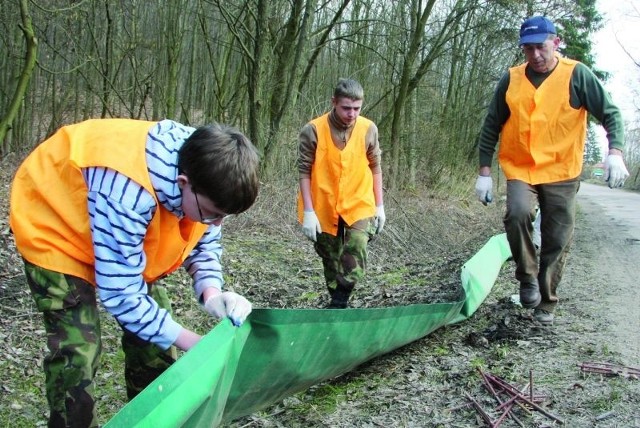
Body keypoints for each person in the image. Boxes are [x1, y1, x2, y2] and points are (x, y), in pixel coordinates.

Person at [9, 118, 260, 427]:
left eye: (224, 216)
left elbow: (203, 238)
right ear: (183, 183)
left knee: (157, 339)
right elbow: (123, 295)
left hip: (115, 225)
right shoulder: (128, 192)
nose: (217, 224)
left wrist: (213, 294)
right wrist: (197, 345)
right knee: (78, 352)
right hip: (55, 223)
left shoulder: (208, 171)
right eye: (214, 215)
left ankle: (156, 419)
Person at [474, 16, 630, 326]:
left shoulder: (577, 75)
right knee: (516, 214)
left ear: (555, 42)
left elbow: (610, 112)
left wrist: (615, 151)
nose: (535, 56)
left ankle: (546, 302)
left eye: (541, 47)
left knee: (557, 237)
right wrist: (484, 171)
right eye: (528, 49)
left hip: (561, 171)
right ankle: (527, 277)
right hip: (521, 168)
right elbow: (492, 124)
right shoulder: (512, 79)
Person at [297, 78, 385, 309]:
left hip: (359, 200)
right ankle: (338, 306)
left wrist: (379, 205)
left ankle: (340, 299)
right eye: (346, 108)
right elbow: (304, 170)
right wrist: (308, 210)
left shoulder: (368, 129)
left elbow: (375, 166)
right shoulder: (313, 130)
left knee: (356, 245)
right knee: (330, 257)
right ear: (333, 102)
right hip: (323, 203)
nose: (352, 114)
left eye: (357, 108)